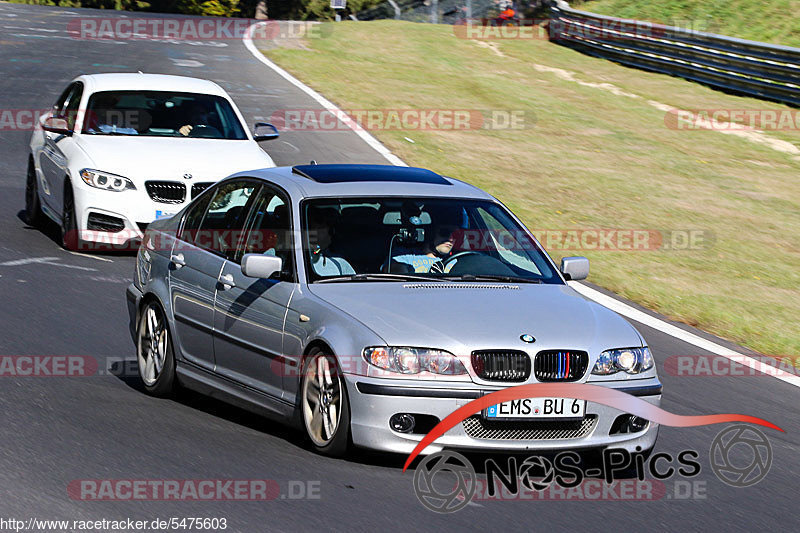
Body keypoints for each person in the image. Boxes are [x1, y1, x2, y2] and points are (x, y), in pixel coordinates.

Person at [307, 207, 355, 276]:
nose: (314, 232)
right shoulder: (307, 256)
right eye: (312, 228)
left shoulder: (340, 263)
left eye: (320, 228)